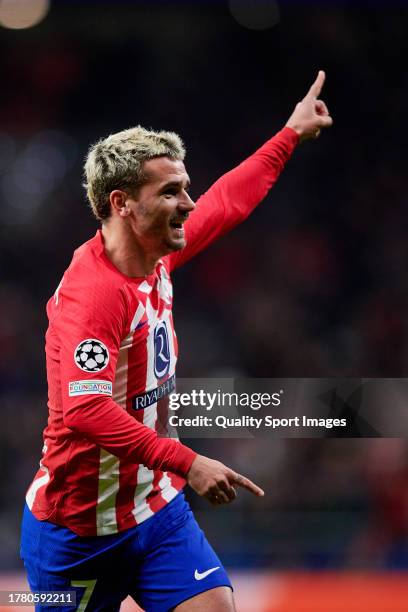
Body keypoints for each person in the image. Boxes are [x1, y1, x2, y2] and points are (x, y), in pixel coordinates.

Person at [20, 71, 332, 611]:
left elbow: (226, 201)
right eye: (170, 192)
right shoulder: (91, 295)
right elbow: (85, 410)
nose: (188, 203)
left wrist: (290, 134)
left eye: (184, 187)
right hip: (76, 535)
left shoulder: (157, 252)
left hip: (156, 512)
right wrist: (188, 461)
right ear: (121, 204)